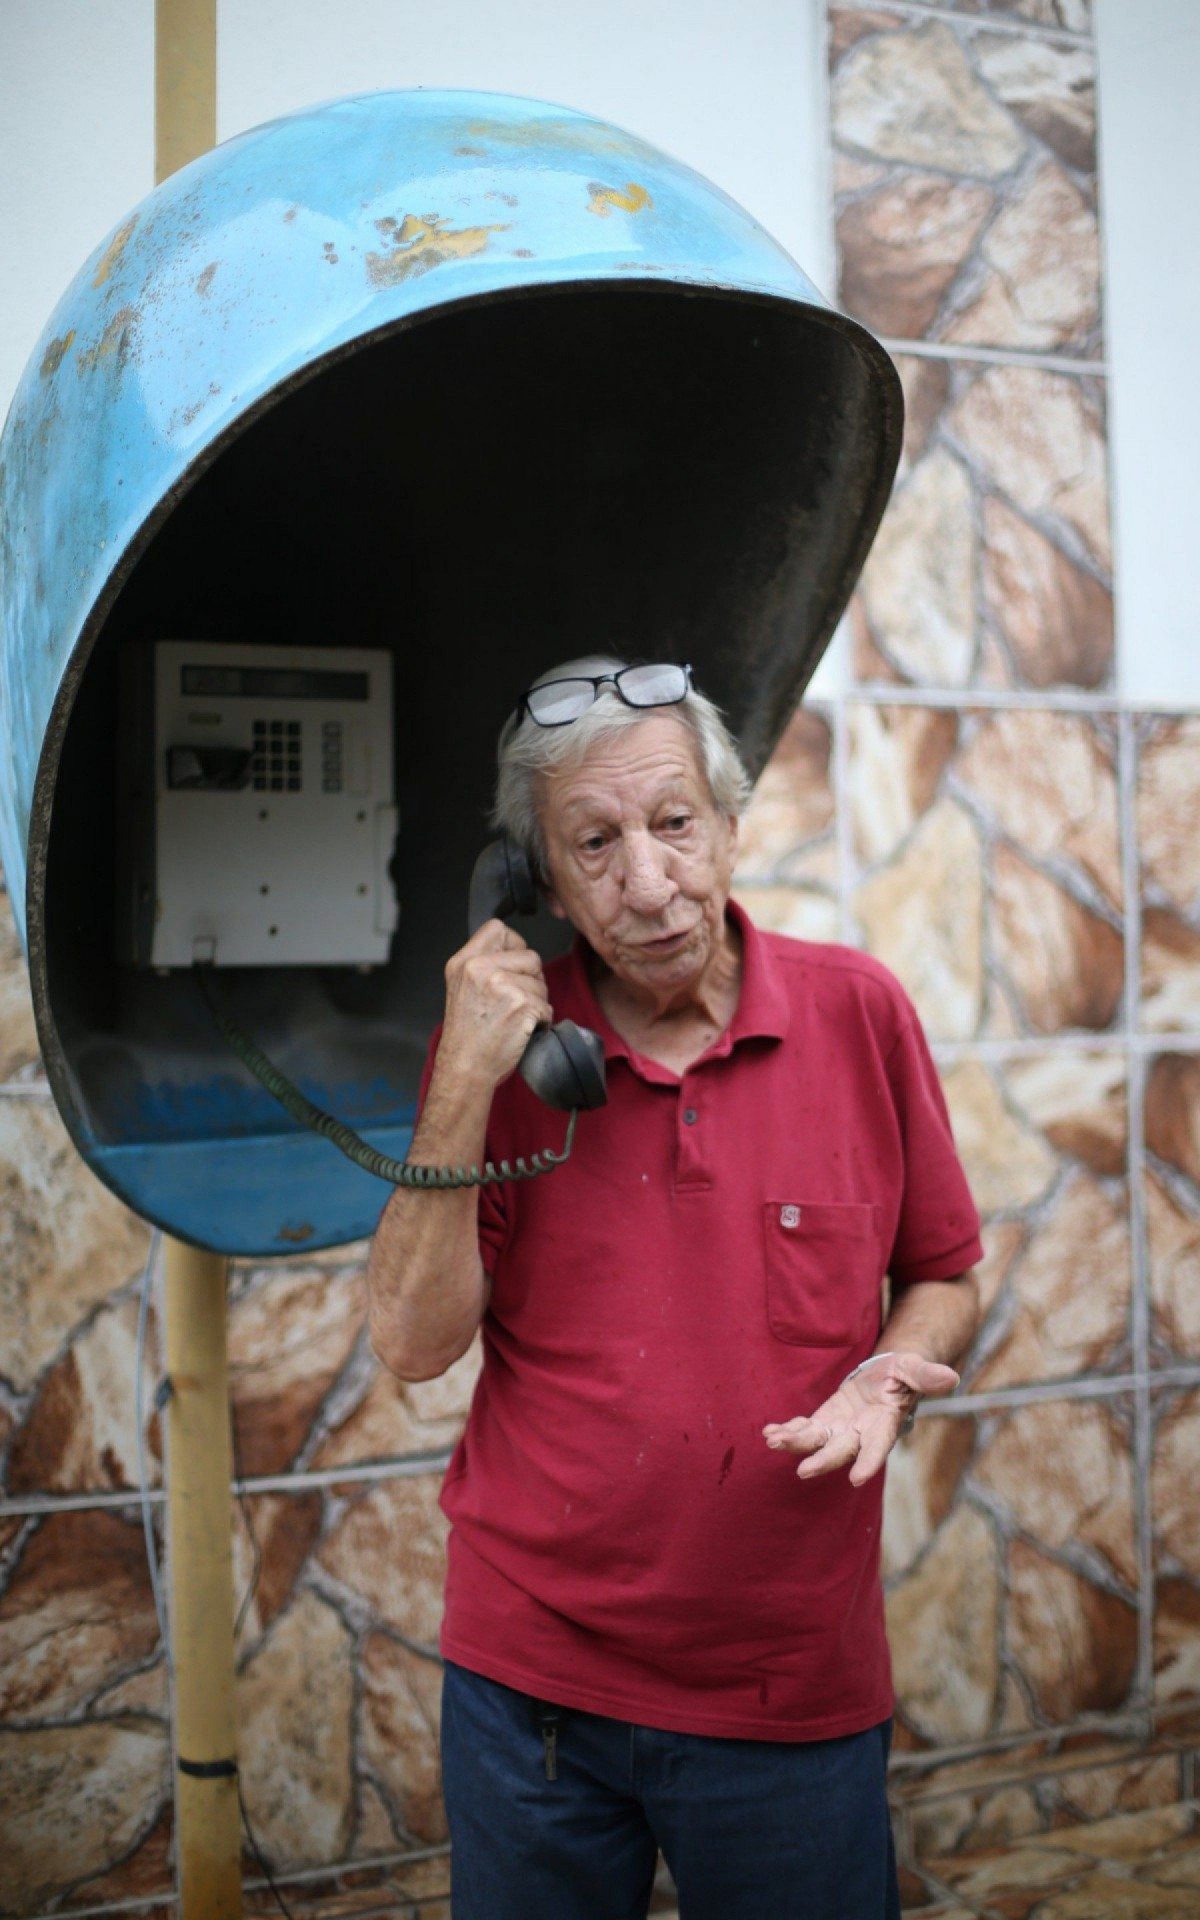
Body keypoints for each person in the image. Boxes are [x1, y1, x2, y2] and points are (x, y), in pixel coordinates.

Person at [366, 657, 982, 1920]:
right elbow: (412, 1344)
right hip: (529, 1692)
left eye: (674, 824)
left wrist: (883, 1375)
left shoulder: (859, 1013)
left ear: (732, 822)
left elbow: (944, 1273)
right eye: (593, 843)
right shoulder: (498, 1063)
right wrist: (466, 1080)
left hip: (786, 1685)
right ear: (533, 877)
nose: (648, 884)